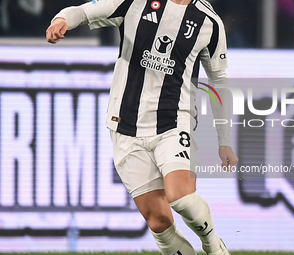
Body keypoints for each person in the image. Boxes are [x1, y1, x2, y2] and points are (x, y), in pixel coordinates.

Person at [46, 0, 238, 254]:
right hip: (125, 124)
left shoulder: (209, 21)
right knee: (159, 222)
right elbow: (83, 11)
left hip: (173, 122)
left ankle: (214, 246)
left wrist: (224, 139)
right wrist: (61, 20)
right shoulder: (133, 2)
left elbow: (219, 81)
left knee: (181, 196)